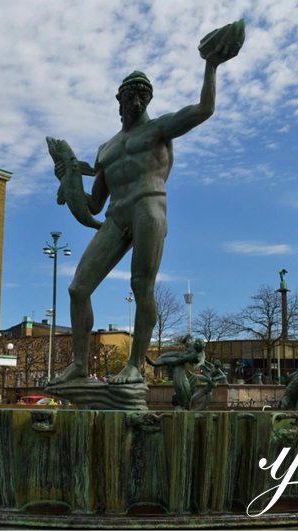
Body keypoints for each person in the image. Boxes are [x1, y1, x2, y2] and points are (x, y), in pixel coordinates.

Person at [50, 27, 243, 386]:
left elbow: (205, 108)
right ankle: (79, 363)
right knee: (78, 288)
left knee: (142, 287)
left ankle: (135, 365)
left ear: (148, 101)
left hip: (148, 207)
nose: (137, 102)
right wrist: (68, 181)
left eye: (143, 96)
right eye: (131, 96)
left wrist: (211, 66)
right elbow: (93, 203)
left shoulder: (159, 130)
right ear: (119, 100)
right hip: (117, 214)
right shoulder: (106, 149)